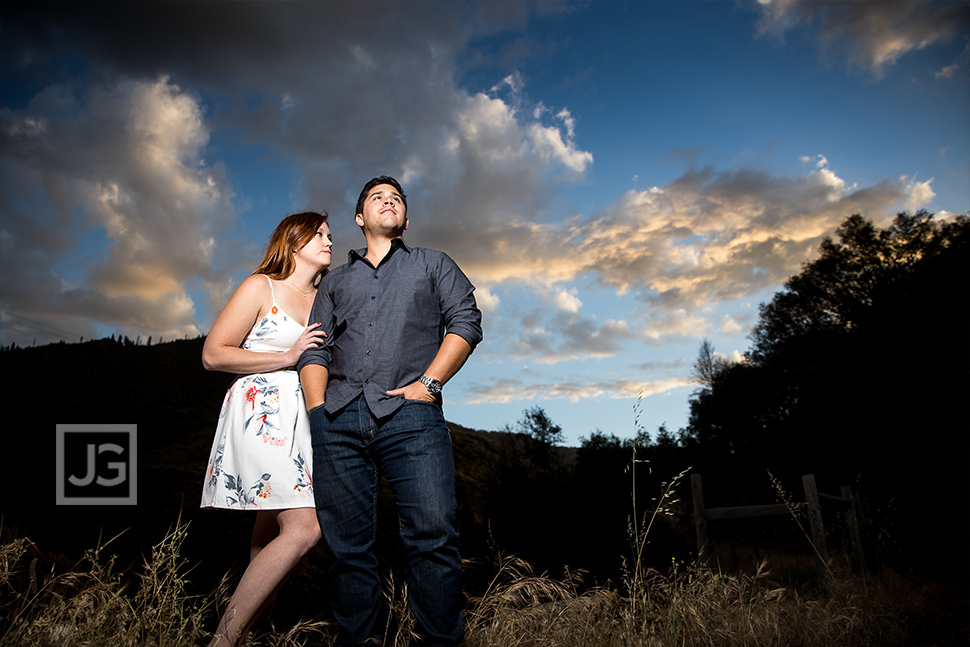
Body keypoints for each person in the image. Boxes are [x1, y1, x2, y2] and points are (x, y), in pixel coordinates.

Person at [298, 176, 483, 646]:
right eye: (377, 197)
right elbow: (316, 350)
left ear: (405, 218)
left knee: (432, 536)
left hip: (411, 417)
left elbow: (466, 322)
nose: (388, 201)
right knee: (348, 551)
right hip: (338, 419)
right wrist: (319, 413)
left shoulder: (433, 264)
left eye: (396, 198)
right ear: (360, 218)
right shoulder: (335, 280)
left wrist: (429, 382)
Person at [200, 211, 332, 647]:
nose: (329, 241)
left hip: (304, 421)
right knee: (305, 527)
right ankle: (221, 642)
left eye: (330, 235)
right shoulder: (262, 286)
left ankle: (251, 639)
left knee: (267, 540)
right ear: (294, 243)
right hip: (263, 415)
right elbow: (214, 354)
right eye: (320, 235)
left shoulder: (325, 299)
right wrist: (288, 356)